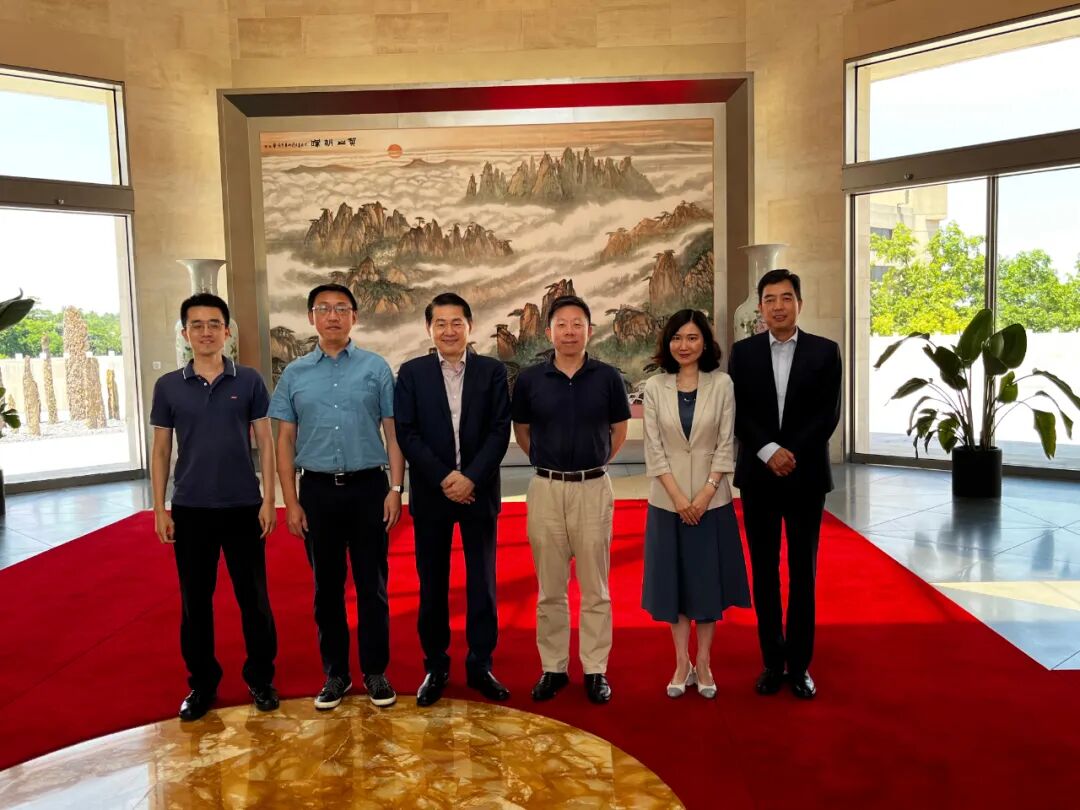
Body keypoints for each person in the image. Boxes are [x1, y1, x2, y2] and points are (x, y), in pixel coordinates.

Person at [269, 283, 405, 710]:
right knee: (326, 589)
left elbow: (393, 432)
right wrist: (290, 501)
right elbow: (284, 440)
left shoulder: (375, 368)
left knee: (372, 586)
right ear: (311, 317)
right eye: (324, 309)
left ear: (354, 317)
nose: (333, 316)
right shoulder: (294, 374)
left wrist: (396, 489)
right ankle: (336, 674)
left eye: (341, 308)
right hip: (317, 493)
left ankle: (375, 671)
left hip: (369, 490)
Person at [150, 292, 279, 721]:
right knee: (195, 603)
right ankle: (202, 684)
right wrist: (160, 508)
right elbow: (161, 450)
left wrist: (269, 499)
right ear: (185, 333)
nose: (205, 332)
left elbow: (265, 442)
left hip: (244, 506)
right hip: (191, 508)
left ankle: (260, 678)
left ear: (227, 331)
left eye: (213, 324)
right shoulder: (168, 386)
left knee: (254, 599)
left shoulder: (250, 381)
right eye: (197, 325)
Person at [727, 268, 842, 700]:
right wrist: (767, 450)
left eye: (786, 298)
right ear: (760, 307)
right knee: (764, 571)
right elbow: (739, 412)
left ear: (799, 303)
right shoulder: (743, 353)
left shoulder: (825, 352)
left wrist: (788, 451)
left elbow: (827, 415)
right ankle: (772, 662)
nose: (778, 306)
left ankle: (800, 665)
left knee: (803, 572)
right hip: (759, 476)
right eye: (770, 299)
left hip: (805, 475)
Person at [511, 294, 631, 704]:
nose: (569, 331)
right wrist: (548, 462)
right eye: (561, 324)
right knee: (550, 588)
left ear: (589, 331)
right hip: (546, 489)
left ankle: (595, 669)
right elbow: (523, 431)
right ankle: (554, 667)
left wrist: (593, 462)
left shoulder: (608, 377)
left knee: (596, 587)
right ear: (549, 332)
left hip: (593, 488)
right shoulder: (530, 380)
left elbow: (618, 431)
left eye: (577, 323)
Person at [394, 292, 512, 706]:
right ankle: (436, 666)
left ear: (470, 326)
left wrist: (470, 478)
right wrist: (445, 477)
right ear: (429, 329)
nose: (449, 330)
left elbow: (499, 430)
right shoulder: (412, 373)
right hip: (433, 493)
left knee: (483, 583)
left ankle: (481, 664)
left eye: (456, 322)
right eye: (440, 323)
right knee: (432, 585)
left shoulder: (492, 372)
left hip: (478, 492)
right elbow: (406, 432)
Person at [641, 309, 751, 699]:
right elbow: (654, 448)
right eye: (677, 338)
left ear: (705, 342)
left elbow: (726, 443)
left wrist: (705, 494)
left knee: (705, 584)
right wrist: (678, 497)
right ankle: (680, 662)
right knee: (674, 585)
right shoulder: (655, 387)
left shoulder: (722, 384)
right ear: (667, 343)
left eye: (692, 338)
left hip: (712, 502)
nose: (684, 345)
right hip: (666, 503)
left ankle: (703, 661)